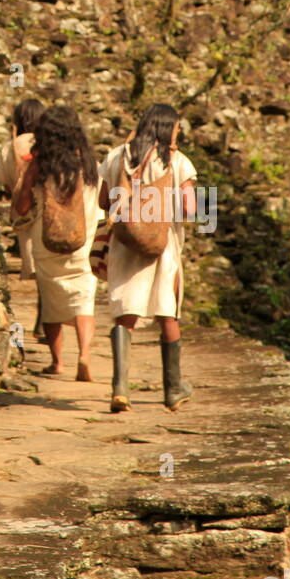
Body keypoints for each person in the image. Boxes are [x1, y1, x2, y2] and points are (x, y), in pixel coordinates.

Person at [98, 104, 198, 413]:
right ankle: (173, 390)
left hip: (124, 242)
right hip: (163, 245)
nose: (178, 134)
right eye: (177, 129)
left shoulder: (117, 156)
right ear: (168, 129)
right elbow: (192, 209)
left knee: (125, 311)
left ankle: (120, 388)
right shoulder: (177, 162)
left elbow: (104, 200)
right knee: (167, 312)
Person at [13, 103, 101, 381]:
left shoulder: (39, 165)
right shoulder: (89, 163)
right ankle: (85, 354)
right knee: (84, 300)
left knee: (51, 301)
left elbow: (23, 205)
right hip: (83, 240)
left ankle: (58, 362)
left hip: (46, 239)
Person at [0, 98, 45, 335]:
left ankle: (44, 319)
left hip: (24, 215)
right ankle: (46, 318)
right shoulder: (49, 144)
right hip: (47, 213)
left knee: (36, 267)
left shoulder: (10, 147)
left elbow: (3, 181)